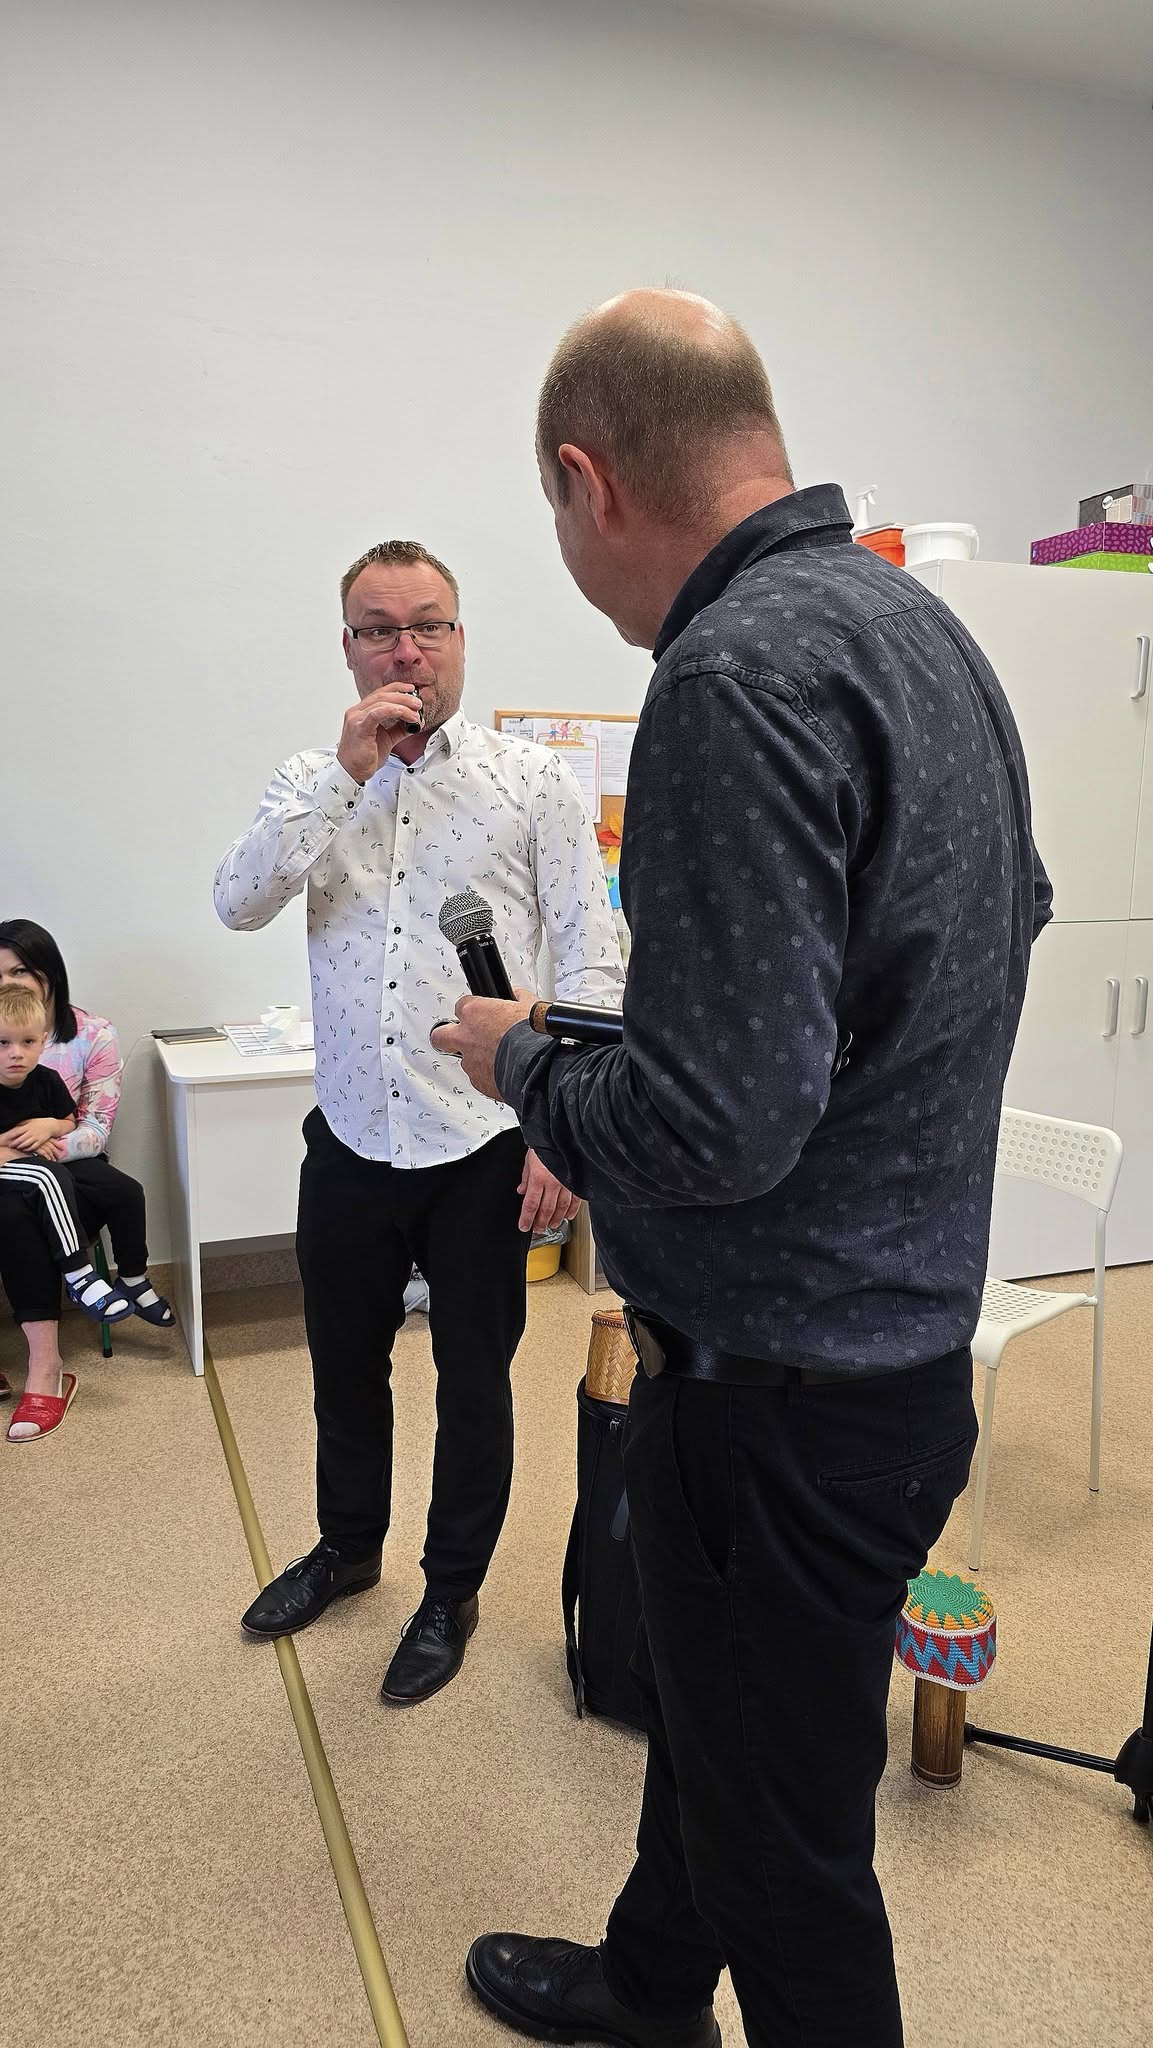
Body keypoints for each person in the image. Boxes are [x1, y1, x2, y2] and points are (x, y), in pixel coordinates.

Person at [435, 292, 1052, 2048]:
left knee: (789, 1869)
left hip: (775, 1399)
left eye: (555, 524)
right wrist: (659, 1043)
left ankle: (702, 1987)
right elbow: (973, 937)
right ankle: (647, 1988)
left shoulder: (726, 676)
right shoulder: (915, 629)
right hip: (889, 1360)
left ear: (587, 480)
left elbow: (718, 1130)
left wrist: (525, 1060)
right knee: (725, 1731)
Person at [214, 538, 624, 1706]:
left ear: (459, 637)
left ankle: (451, 1589)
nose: (407, 651)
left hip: (483, 1143)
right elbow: (237, 901)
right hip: (349, 1133)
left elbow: (591, 958)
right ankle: (348, 1548)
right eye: (380, 629)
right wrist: (344, 777)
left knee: (472, 1381)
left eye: (428, 625)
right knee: (343, 1369)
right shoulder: (312, 778)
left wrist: (561, 1130)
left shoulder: (530, 781)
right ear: (347, 647)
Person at [0, 920, 175, 1442]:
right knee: (17, 1206)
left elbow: (92, 1128)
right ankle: (52, 1352)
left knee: (116, 1190)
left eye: (19, 971)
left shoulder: (91, 1034)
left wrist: (47, 1139)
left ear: (48, 972)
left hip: (66, 1169)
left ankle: (122, 1288)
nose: (6, 983)